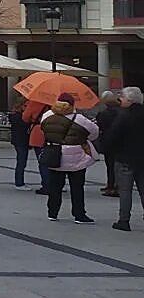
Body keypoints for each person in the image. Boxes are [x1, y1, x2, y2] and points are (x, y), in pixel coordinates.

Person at [40, 92, 99, 224]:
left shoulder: (47, 116)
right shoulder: (80, 119)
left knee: (55, 186)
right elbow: (94, 133)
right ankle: (79, 214)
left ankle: (52, 212)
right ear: (72, 105)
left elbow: (43, 130)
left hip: (55, 154)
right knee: (77, 187)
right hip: (76, 156)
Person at [104, 86, 144, 232]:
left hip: (125, 158)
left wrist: (108, 148)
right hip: (142, 158)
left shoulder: (124, 116)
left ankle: (124, 220)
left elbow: (113, 136)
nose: (120, 100)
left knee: (125, 191)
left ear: (130, 100)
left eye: (123, 98)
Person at [95, 91, 121, 197]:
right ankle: (113, 185)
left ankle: (112, 186)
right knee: (116, 165)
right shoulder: (121, 112)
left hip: (108, 142)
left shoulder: (104, 114)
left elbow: (99, 125)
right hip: (120, 143)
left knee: (110, 165)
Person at [24, 98, 51, 194]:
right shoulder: (56, 102)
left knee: (43, 162)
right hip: (55, 133)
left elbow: (25, 117)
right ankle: (57, 184)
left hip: (38, 132)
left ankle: (46, 185)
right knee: (54, 160)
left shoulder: (35, 102)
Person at [8, 96, 34, 190]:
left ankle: (20, 181)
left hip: (22, 141)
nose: (27, 108)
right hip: (20, 141)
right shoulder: (17, 116)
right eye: (26, 105)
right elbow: (23, 126)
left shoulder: (19, 115)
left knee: (22, 161)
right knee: (21, 162)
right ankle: (19, 183)